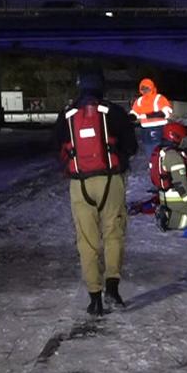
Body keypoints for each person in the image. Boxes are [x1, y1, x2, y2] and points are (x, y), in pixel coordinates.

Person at [57, 73, 138, 316]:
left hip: (80, 184)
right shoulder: (112, 111)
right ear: (102, 88)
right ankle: (112, 287)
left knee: (87, 241)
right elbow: (131, 147)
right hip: (110, 180)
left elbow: (56, 148)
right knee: (113, 234)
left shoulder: (67, 115)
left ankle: (94, 298)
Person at [149, 121, 187, 236]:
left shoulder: (160, 152)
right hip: (177, 200)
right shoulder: (174, 156)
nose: (185, 141)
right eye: (184, 138)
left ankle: (169, 215)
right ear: (176, 137)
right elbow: (181, 186)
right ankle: (171, 220)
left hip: (165, 198)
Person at [129, 77, 173, 151]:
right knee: (148, 149)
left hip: (160, 128)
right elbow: (134, 113)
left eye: (147, 88)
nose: (145, 90)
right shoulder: (139, 100)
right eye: (143, 88)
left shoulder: (159, 98)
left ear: (152, 87)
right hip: (145, 130)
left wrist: (146, 116)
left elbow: (165, 113)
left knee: (158, 150)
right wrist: (128, 117)